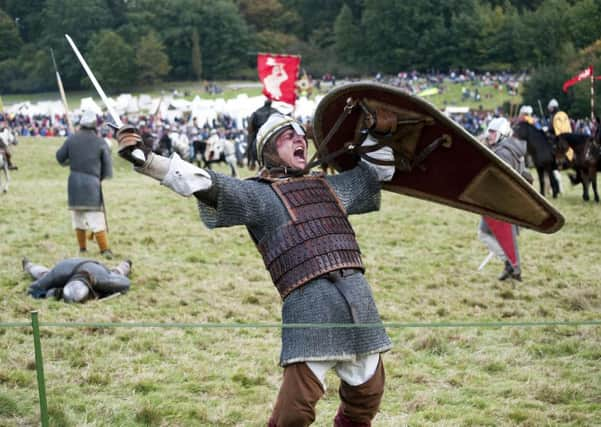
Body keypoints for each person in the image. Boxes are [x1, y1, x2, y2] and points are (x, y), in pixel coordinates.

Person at [116, 111, 397, 426]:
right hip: (311, 308)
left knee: (366, 399)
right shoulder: (260, 195)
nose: (298, 139)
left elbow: (376, 174)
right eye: (286, 136)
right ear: (269, 151)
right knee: (293, 414)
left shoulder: (332, 187)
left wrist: (378, 133)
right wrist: (145, 159)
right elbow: (203, 182)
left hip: (359, 302)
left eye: (298, 134)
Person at [56, 110, 114, 258]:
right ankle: (104, 250)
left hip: (74, 183)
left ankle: (82, 248)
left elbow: (60, 158)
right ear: (95, 126)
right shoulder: (100, 142)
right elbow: (107, 169)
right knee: (95, 218)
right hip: (91, 184)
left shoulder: (72, 139)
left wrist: (73, 160)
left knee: (78, 217)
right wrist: (98, 178)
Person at [479, 117, 526, 281]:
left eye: (493, 132)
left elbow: (499, 180)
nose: (489, 135)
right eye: (489, 131)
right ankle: (511, 266)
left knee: (488, 234)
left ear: (502, 133)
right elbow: (525, 175)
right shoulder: (512, 149)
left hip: (501, 203)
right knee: (495, 235)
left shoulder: (503, 153)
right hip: (506, 201)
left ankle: (512, 267)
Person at [24, 257, 131, 302]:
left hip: (96, 269)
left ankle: (126, 263)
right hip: (66, 266)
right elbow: (34, 288)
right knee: (44, 274)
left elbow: (125, 283)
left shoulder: (103, 279)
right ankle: (29, 266)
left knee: (117, 272)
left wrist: (103, 293)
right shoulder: (58, 274)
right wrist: (50, 294)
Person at [246, 99, 278, 170]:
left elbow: (250, 127)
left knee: (250, 144)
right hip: (273, 133)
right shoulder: (276, 111)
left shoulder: (257, 112)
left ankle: (251, 161)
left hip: (259, 133)